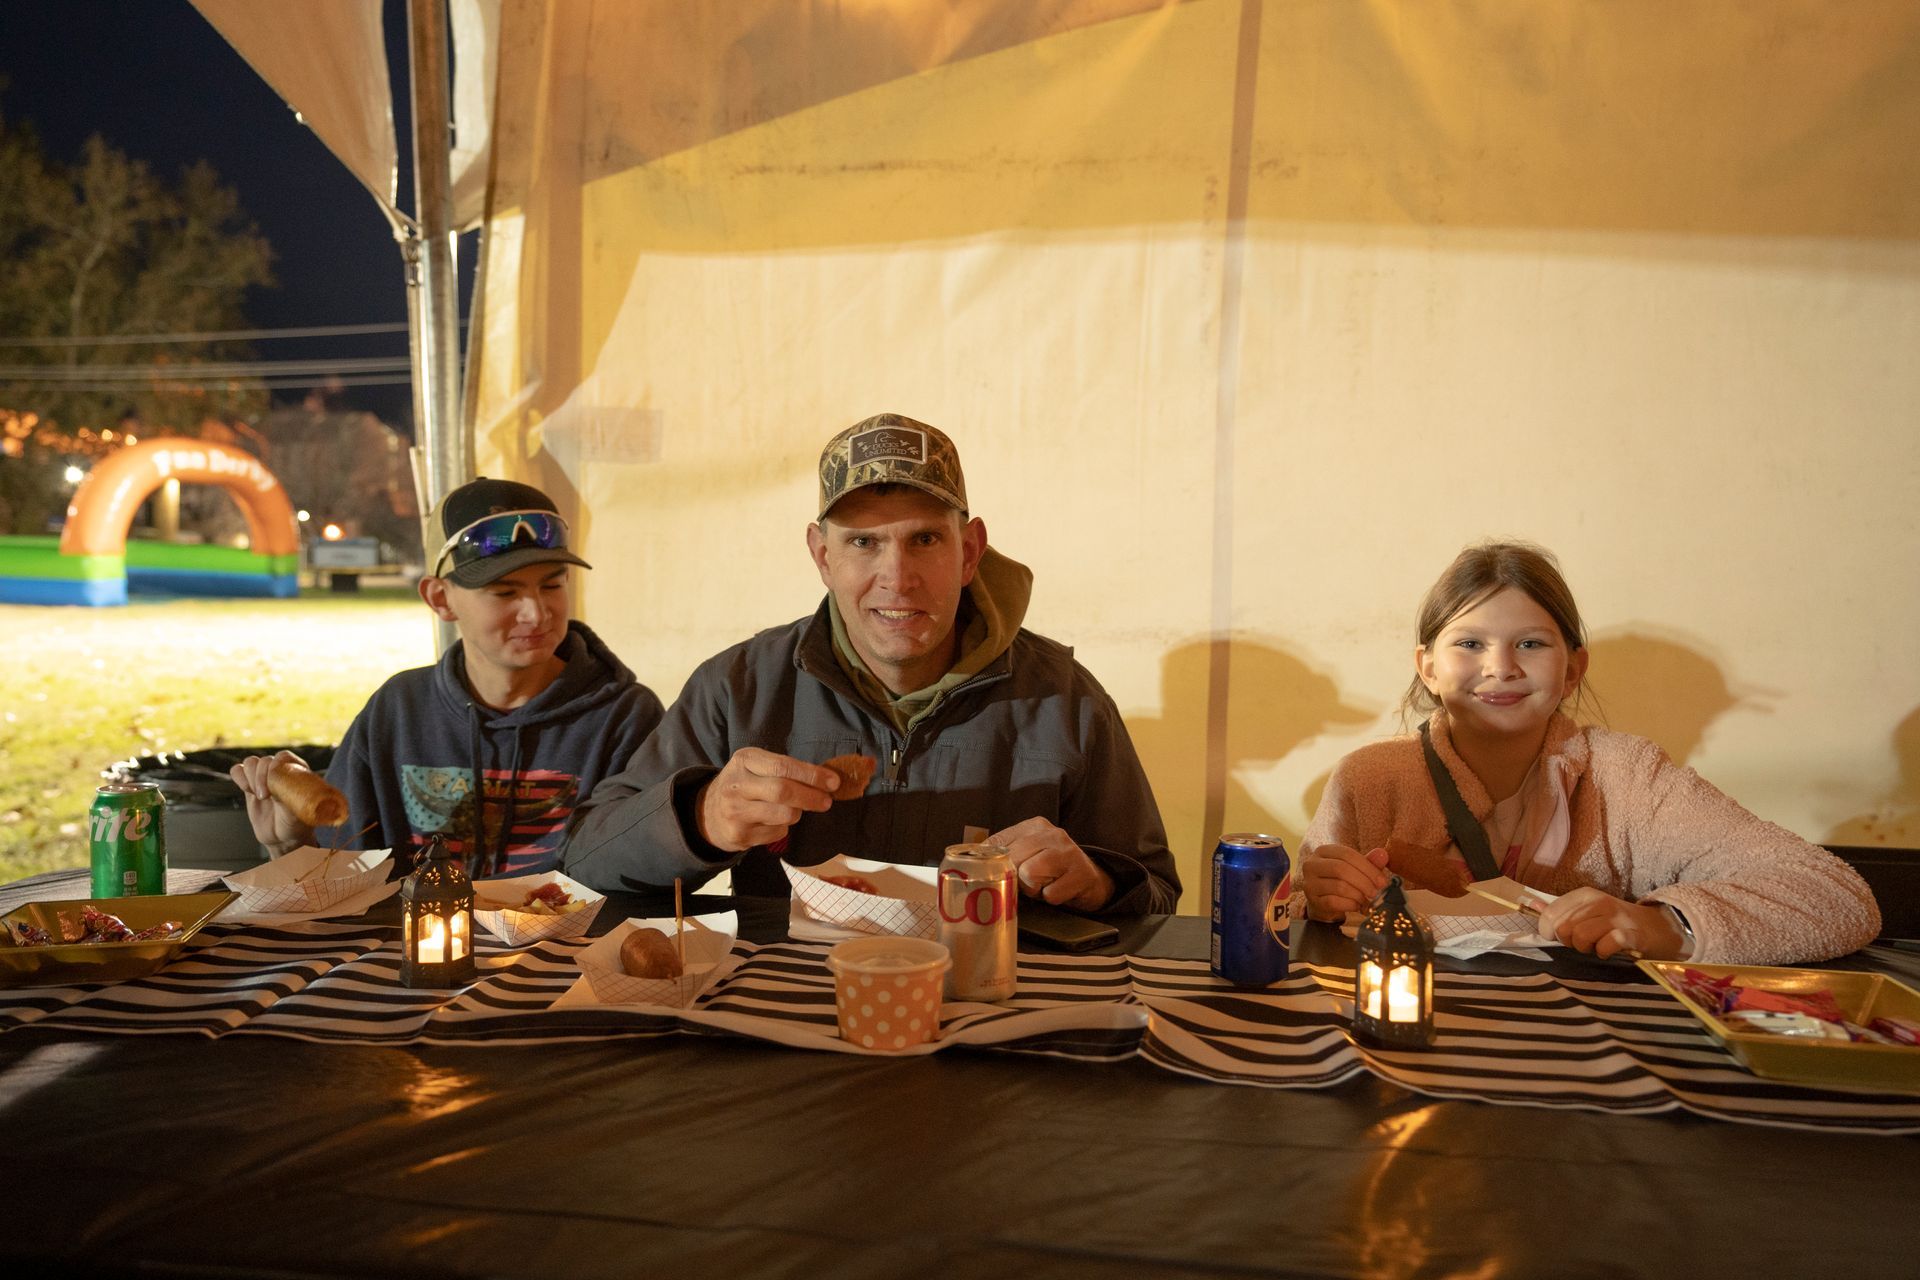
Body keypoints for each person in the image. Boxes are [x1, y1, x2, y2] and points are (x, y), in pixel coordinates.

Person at [563, 413, 1180, 915]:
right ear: (821, 556)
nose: (897, 578)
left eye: (925, 540)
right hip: (784, 1015)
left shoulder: (1066, 699)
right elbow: (587, 859)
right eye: (863, 542)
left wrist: (1098, 883)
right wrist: (698, 819)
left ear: (969, 553)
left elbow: (1157, 901)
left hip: (987, 1019)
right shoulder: (739, 688)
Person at [1298, 541, 1880, 965]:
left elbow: (1838, 896)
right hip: (1410, 1039)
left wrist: (1658, 925)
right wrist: (1320, 896)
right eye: (1470, 643)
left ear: (1573, 667)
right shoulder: (1368, 778)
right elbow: (1301, 924)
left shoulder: (1629, 777)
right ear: (1427, 666)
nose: (1500, 667)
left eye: (1531, 643)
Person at [230, 478, 665, 876]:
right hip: (409, 955)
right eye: (506, 592)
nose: (537, 612)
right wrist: (291, 844)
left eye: (552, 585)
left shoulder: (624, 716)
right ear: (440, 599)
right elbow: (341, 881)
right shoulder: (399, 709)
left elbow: (637, 881)